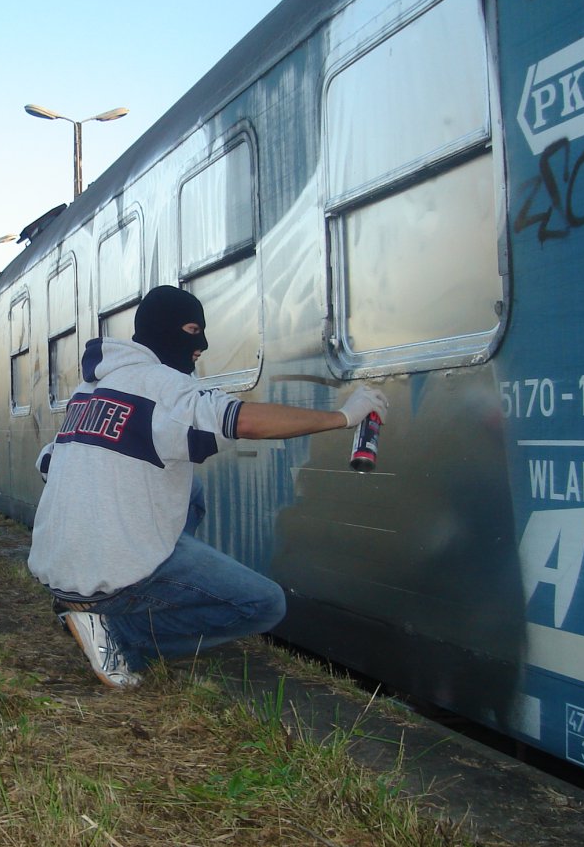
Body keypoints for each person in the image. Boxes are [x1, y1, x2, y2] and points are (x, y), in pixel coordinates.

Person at [28, 285, 389, 688]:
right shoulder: (164, 386)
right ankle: (118, 639)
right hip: (105, 581)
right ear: (165, 330)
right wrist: (343, 416)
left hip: (59, 571)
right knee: (263, 604)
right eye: (191, 329)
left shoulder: (89, 390)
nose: (200, 345)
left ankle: (85, 609)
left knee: (190, 492)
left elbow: (49, 462)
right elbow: (243, 421)